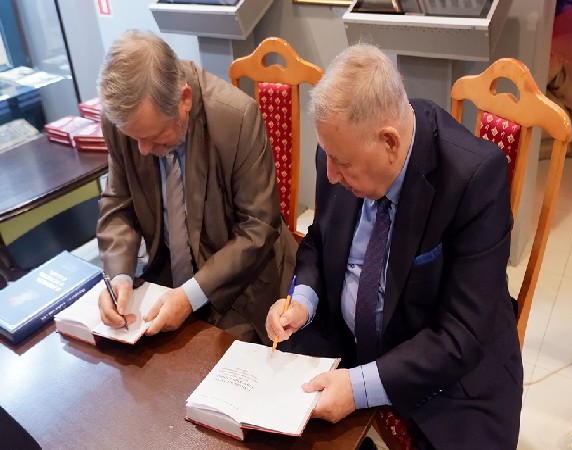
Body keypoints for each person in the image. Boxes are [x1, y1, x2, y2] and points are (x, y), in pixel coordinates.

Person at [266, 44, 523, 449]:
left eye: (342, 164)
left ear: (389, 141)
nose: (330, 175)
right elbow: (319, 238)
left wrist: (357, 388)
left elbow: (461, 335)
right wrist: (303, 300)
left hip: (443, 370)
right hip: (344, 340)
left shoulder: (474, 177)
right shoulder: (340, 148)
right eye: (328, 158)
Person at [96, 30, 296, 344]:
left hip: (241, 286)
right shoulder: (122, 122)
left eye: (153, 137)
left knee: (205, 364)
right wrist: (119, 276)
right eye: (135, 139)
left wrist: (190, 296)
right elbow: (118, 205)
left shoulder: (237, 118)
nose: (143, 150)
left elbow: (257, 229)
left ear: (184, 100)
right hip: (164, 278)